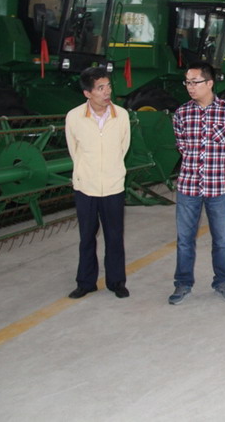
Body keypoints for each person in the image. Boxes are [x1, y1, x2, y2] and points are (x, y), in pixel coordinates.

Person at [168, 62, 225, 305]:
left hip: (218, 186)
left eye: (195, 82)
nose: (190, 87)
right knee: (184, 240)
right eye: (187, 83)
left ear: (209, 83)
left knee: (221, 240)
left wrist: (215, 161)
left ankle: (222, 281)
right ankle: (183, 283)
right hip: (188, 186)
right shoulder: (181, 113)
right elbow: (181, 146)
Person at [65, 67, 131, 299]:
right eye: (100, 88)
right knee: (86, 238)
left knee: (115, 237)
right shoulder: (74, 117)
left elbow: (123, 147)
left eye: (108, 86)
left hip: (113, 186)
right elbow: (74, 150)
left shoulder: (121, 115)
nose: (107, 92)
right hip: (86, 187)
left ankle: (116, 282)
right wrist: (85, 174)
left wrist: (113, 171)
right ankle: (86, 282)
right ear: (87, 93)